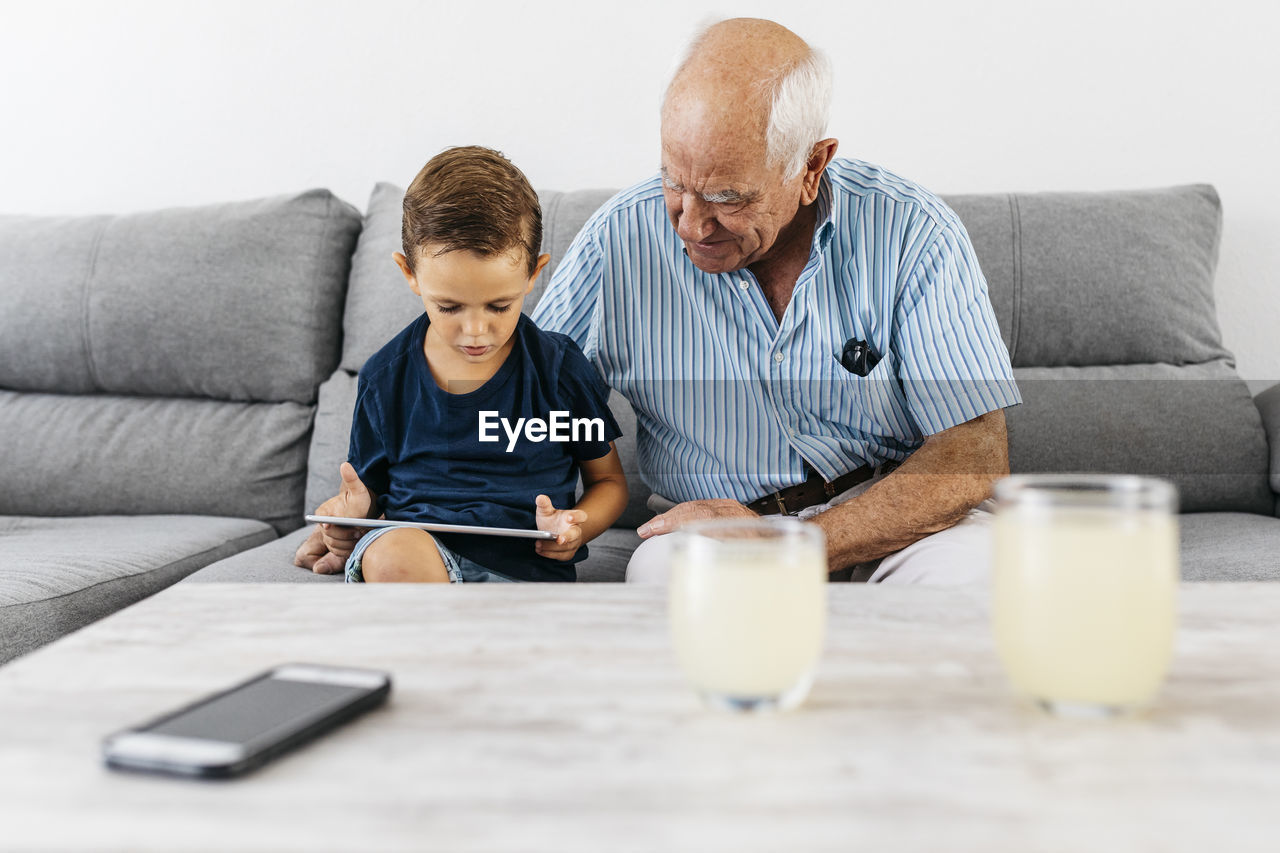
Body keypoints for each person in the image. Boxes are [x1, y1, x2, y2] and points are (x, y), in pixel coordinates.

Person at [529, 18, 1021, 584]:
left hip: (902, 527)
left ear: (811, 166)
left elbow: (973, 453)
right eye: (672, 181)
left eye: (726, 197)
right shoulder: (617, 239)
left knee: (976, 579)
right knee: (672, 577)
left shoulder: (913, 230)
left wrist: (802, 544)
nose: (690, 224)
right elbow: (524, 403)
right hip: (713, 535)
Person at [296, 146, 628, 583]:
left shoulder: (560, 369)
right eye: (450, 306)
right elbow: (369, 496)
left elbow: (609, 484)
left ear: (534, 273)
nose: (476, 330)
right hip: (416, 552)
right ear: (409, 273)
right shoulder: (384, 377)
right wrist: (349, 518)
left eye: (499, 305)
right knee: (393, 551)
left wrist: (575, 527)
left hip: (525, 568)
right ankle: (453, 632)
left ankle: (463, 632)